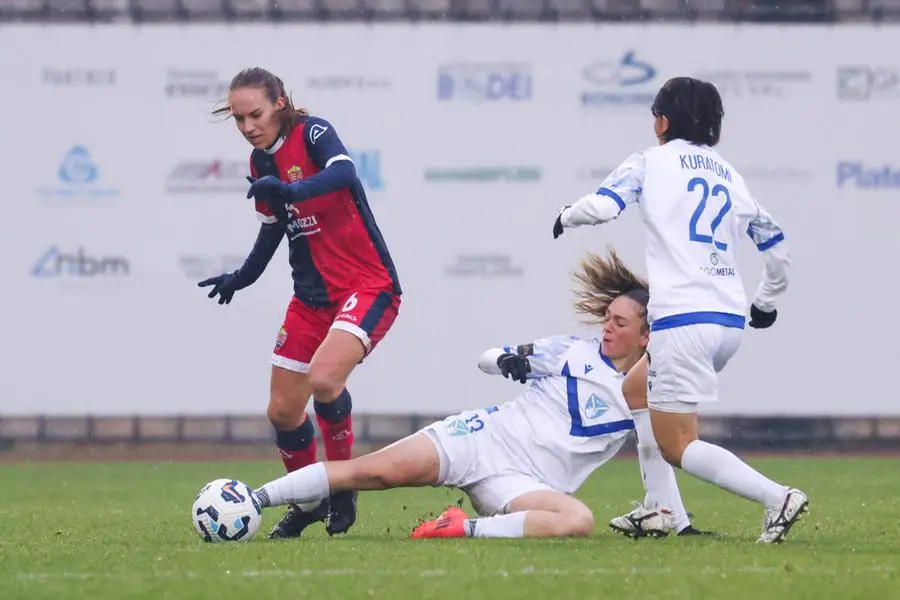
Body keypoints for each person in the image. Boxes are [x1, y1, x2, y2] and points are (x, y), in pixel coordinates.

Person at [250, 250, 701, 539]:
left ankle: (460, 528)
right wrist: (508, 359)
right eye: (607, 317)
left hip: (523, 486)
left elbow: (658, 455)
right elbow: (488, 358)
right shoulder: (570, 350)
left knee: (577, 521)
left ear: (646, 336)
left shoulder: (650, 393)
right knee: (371, 472)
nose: (607, 326)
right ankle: (253, 500)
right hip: (480, 439)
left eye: (620, 323)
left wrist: (679, 523)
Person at [552, 76, 808, 544]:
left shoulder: (650, 162)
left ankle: (778, 497)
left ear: (663, 121)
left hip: (683, 322)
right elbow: (776, 247)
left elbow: (603, 206)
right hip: (728, 321)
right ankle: (661, 509)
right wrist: (765, 303)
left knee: (677, 444)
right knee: (635, 389)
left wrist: (566, 215)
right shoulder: (729, 174)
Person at [198, 67, 402, 539]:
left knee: (326, 378)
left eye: (256, 114)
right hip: (311, 300)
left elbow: (344, 173)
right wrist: (241, 277)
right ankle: (309, 500)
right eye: (238, 118)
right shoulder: (259, 162)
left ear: (281, 102)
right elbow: (272, 228)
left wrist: (291, 191)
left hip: (367, 286)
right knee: (283, 412)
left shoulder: (313, 132)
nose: (248, 126)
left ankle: (342, 485)